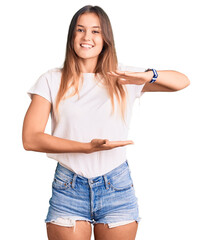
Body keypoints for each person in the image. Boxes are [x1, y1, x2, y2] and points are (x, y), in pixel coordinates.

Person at [22, 5, 190, 240]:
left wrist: (149, 74)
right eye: (80, 30)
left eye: (95, 31)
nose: (86, 37)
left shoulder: (123, 77)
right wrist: (86, 148)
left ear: (106, 39)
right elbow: (30, 139)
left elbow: (182, 81)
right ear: (72, 36)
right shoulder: (51, 79)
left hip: (116, 187)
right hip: (69, 187)